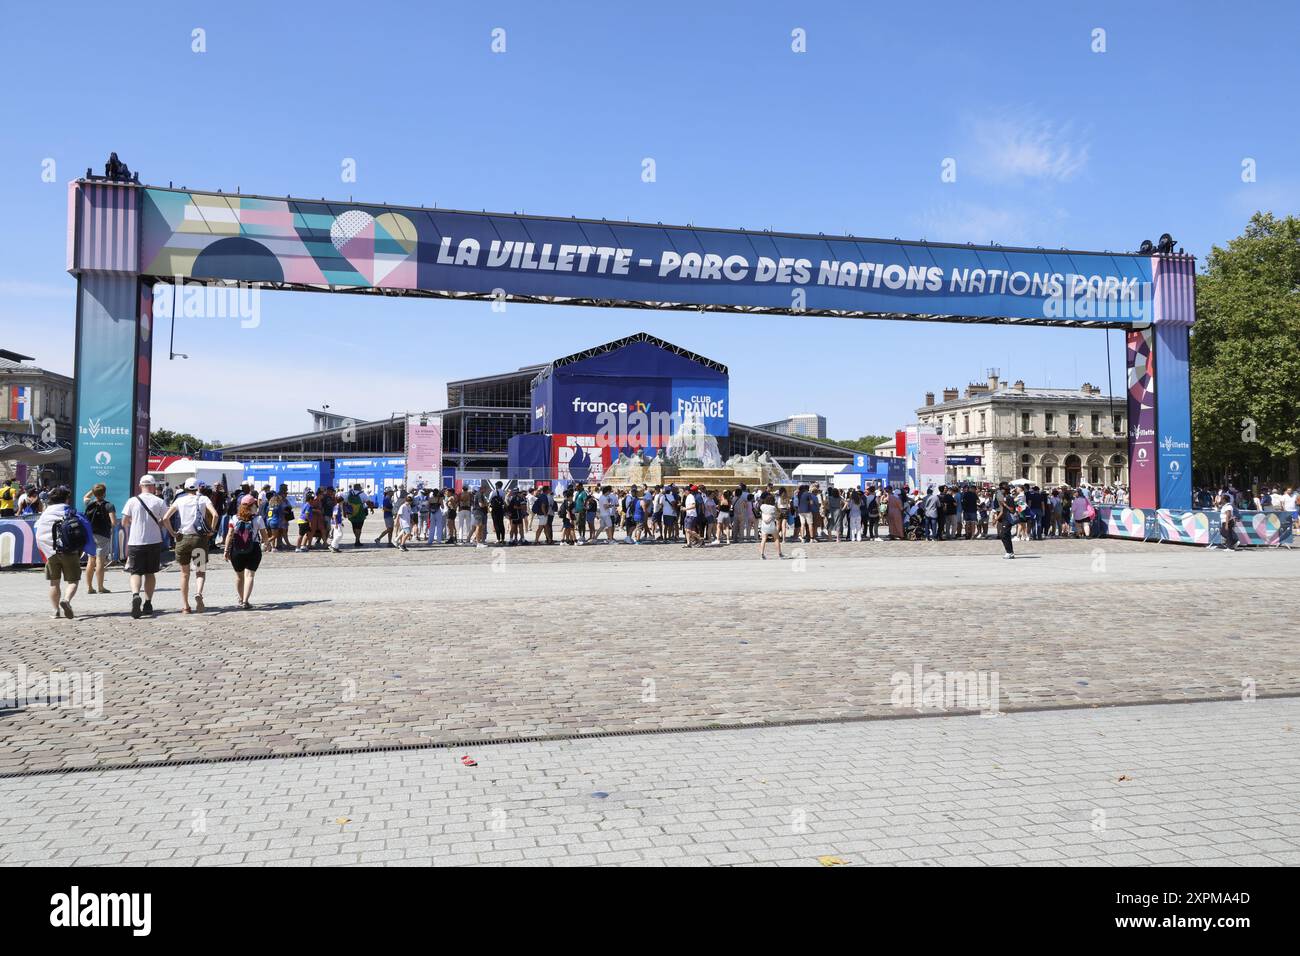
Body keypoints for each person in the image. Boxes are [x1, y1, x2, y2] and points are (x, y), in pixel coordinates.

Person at [34, 486, 95, 619]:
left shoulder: (45, 514)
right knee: (73, 581)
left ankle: (55, 611)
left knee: (54, 583)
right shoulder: (71, 512)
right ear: (67, 499)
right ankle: (66, 600)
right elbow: (85, 530)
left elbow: (37, 532)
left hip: (51, 553)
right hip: (70, 552)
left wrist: (46, 550)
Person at [163, 477, 219, 614]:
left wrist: (173, 533)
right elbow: (215, 515)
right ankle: (199, 593)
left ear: (185, 488)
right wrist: (211, 531)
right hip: (199, 539)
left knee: (184, 574)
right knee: (200, 571)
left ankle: (186, 606)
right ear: (198, 488)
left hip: (183, 539)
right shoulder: (204, 499)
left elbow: (165, 518)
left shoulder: (179, 500)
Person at [121, 474, 168, 618]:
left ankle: (136, 595)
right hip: (153, 541)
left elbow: (124, 522)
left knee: (135, 572)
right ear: (153, 486)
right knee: (150, 573)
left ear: (141, 486)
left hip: (135, 541)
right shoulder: (159, 501)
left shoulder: (132, 501)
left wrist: (134, 523)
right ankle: (148, 603)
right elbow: (164, 520)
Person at [223, 494, 268, 608]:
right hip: (253, 549)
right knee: (250, 576)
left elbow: (229, 535)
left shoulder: (234, 518)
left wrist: (226, 550)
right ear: (252, 505)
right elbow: (264, 535)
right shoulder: (258, 519)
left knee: (239, 576)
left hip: (236, 550)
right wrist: (267, 544)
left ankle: (240, 598)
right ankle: (245, 601)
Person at [81, 483, 117, 593]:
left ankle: (89, 588)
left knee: (90, 561)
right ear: (104, 493)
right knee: (100, 561)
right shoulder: (109, 505)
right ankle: (101, 587)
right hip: (103, 535)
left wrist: (93, 490)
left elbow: (86, 496)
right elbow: (113, 522)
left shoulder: (89, 504)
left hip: (90, 535)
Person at [993, 481, 1016, 559]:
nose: (1000, 491)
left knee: (1003, 535)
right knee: (1006, 535)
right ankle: (1010, 552)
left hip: (1008, 520)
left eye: (1001, 489)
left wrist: (1005, 504)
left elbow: (1012, 510)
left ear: (1005, 490)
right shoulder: (1004, 499)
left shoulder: (1009, 498)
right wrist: (996, 519)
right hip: (1004, 519)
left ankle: (1009, 552)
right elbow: (1002, 511)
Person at [757, 491, 782, 560]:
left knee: (763, 539)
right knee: (776, 539)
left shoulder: (762, 506)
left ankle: (762, 554)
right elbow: (778, 515)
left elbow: (760, 506)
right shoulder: (773, 508)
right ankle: (779, 553)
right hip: (771, 525)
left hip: (764, 525)